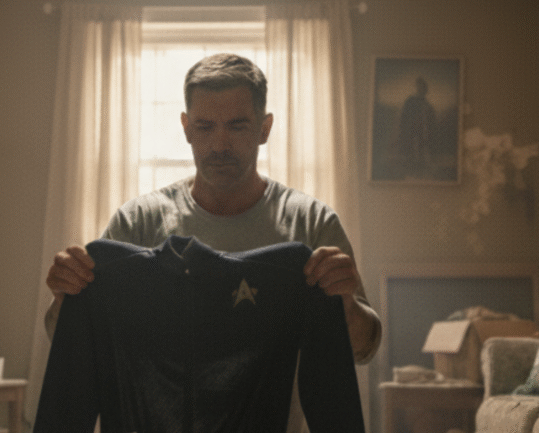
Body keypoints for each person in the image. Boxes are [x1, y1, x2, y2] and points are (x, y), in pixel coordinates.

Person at [44, 53, 381, 432]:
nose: (220, 143)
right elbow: (77, 345)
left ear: (265, 128)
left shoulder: (311, 224)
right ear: (186, 128)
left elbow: (361, 349)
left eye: (237, 126)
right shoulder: (136, 223)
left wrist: (346, 305)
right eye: (205, 127)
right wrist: (65, 297)